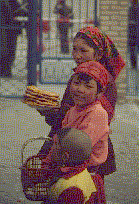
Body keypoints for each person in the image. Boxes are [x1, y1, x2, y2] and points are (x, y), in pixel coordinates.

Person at [38, 26, 125, 179]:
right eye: (74, 49)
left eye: (83, 51)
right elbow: (70, 112)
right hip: (66, 143)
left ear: (97, 54)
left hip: (85, 150)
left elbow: (94, 118)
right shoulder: (78, 75)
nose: (77, 55)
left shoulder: (105, 84)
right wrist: (51, 112)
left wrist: (54, 114)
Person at [41, 127, 106, 204]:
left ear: (64, 157)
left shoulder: (72, 191)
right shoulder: (82, 171)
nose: (51, 148)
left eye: (55, 144)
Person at [0, 0, 27, 78]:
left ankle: (6, 70)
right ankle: (5, 70)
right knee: (7, 50)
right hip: (8, 29)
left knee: (9, 50)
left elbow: (20, 11)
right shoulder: (8, 2)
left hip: (10, 30)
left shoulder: (12, 2)